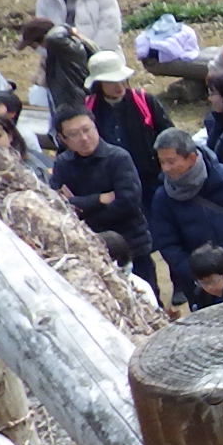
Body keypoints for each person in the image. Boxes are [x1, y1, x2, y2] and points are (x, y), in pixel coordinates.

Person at [149, 128, 223, 303]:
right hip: (201, 290)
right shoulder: (163, 198)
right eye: (162, 162)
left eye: (171, 161)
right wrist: (203, 280)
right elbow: (168, 245)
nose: (165, 168)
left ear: (191, 158)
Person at [51, 110, 157, 303]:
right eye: (74, 134)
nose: (84, 138)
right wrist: (98, 199)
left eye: (87, 129)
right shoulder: (63, 164)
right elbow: (57, 206)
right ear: (62, 138)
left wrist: (80, 210)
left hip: (131, 244)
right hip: (89, 248)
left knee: (145, 301)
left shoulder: (118, 158)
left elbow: (128, 203)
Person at [84, 52, 164, 194]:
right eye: (111, 82)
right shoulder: (88, 109)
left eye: (122, 80)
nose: (120, 87)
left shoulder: (144, 101)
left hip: (149, 179)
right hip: (110, 184)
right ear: (98, 84)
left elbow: (167, 133)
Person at [17, 17, 92, 121]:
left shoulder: (69, 52)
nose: (35, 50)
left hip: (75, 107)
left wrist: (64, 27)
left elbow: (54, 38)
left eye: (33, 46)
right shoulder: (52, 58)